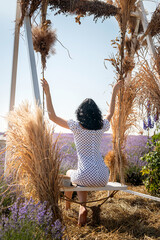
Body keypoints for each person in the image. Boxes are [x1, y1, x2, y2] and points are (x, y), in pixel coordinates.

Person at [41, 78, 122, 226]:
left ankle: (76, 207)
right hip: (103, 175)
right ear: (96, 113)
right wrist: (115, 91)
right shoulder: (101, 126)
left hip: (85, 175)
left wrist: (47, 92)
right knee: (81, 177)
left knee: (71, 173)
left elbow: (52, 116)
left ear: (81, 113)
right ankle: (80, 208)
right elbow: (110, 112)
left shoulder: (76, 126)